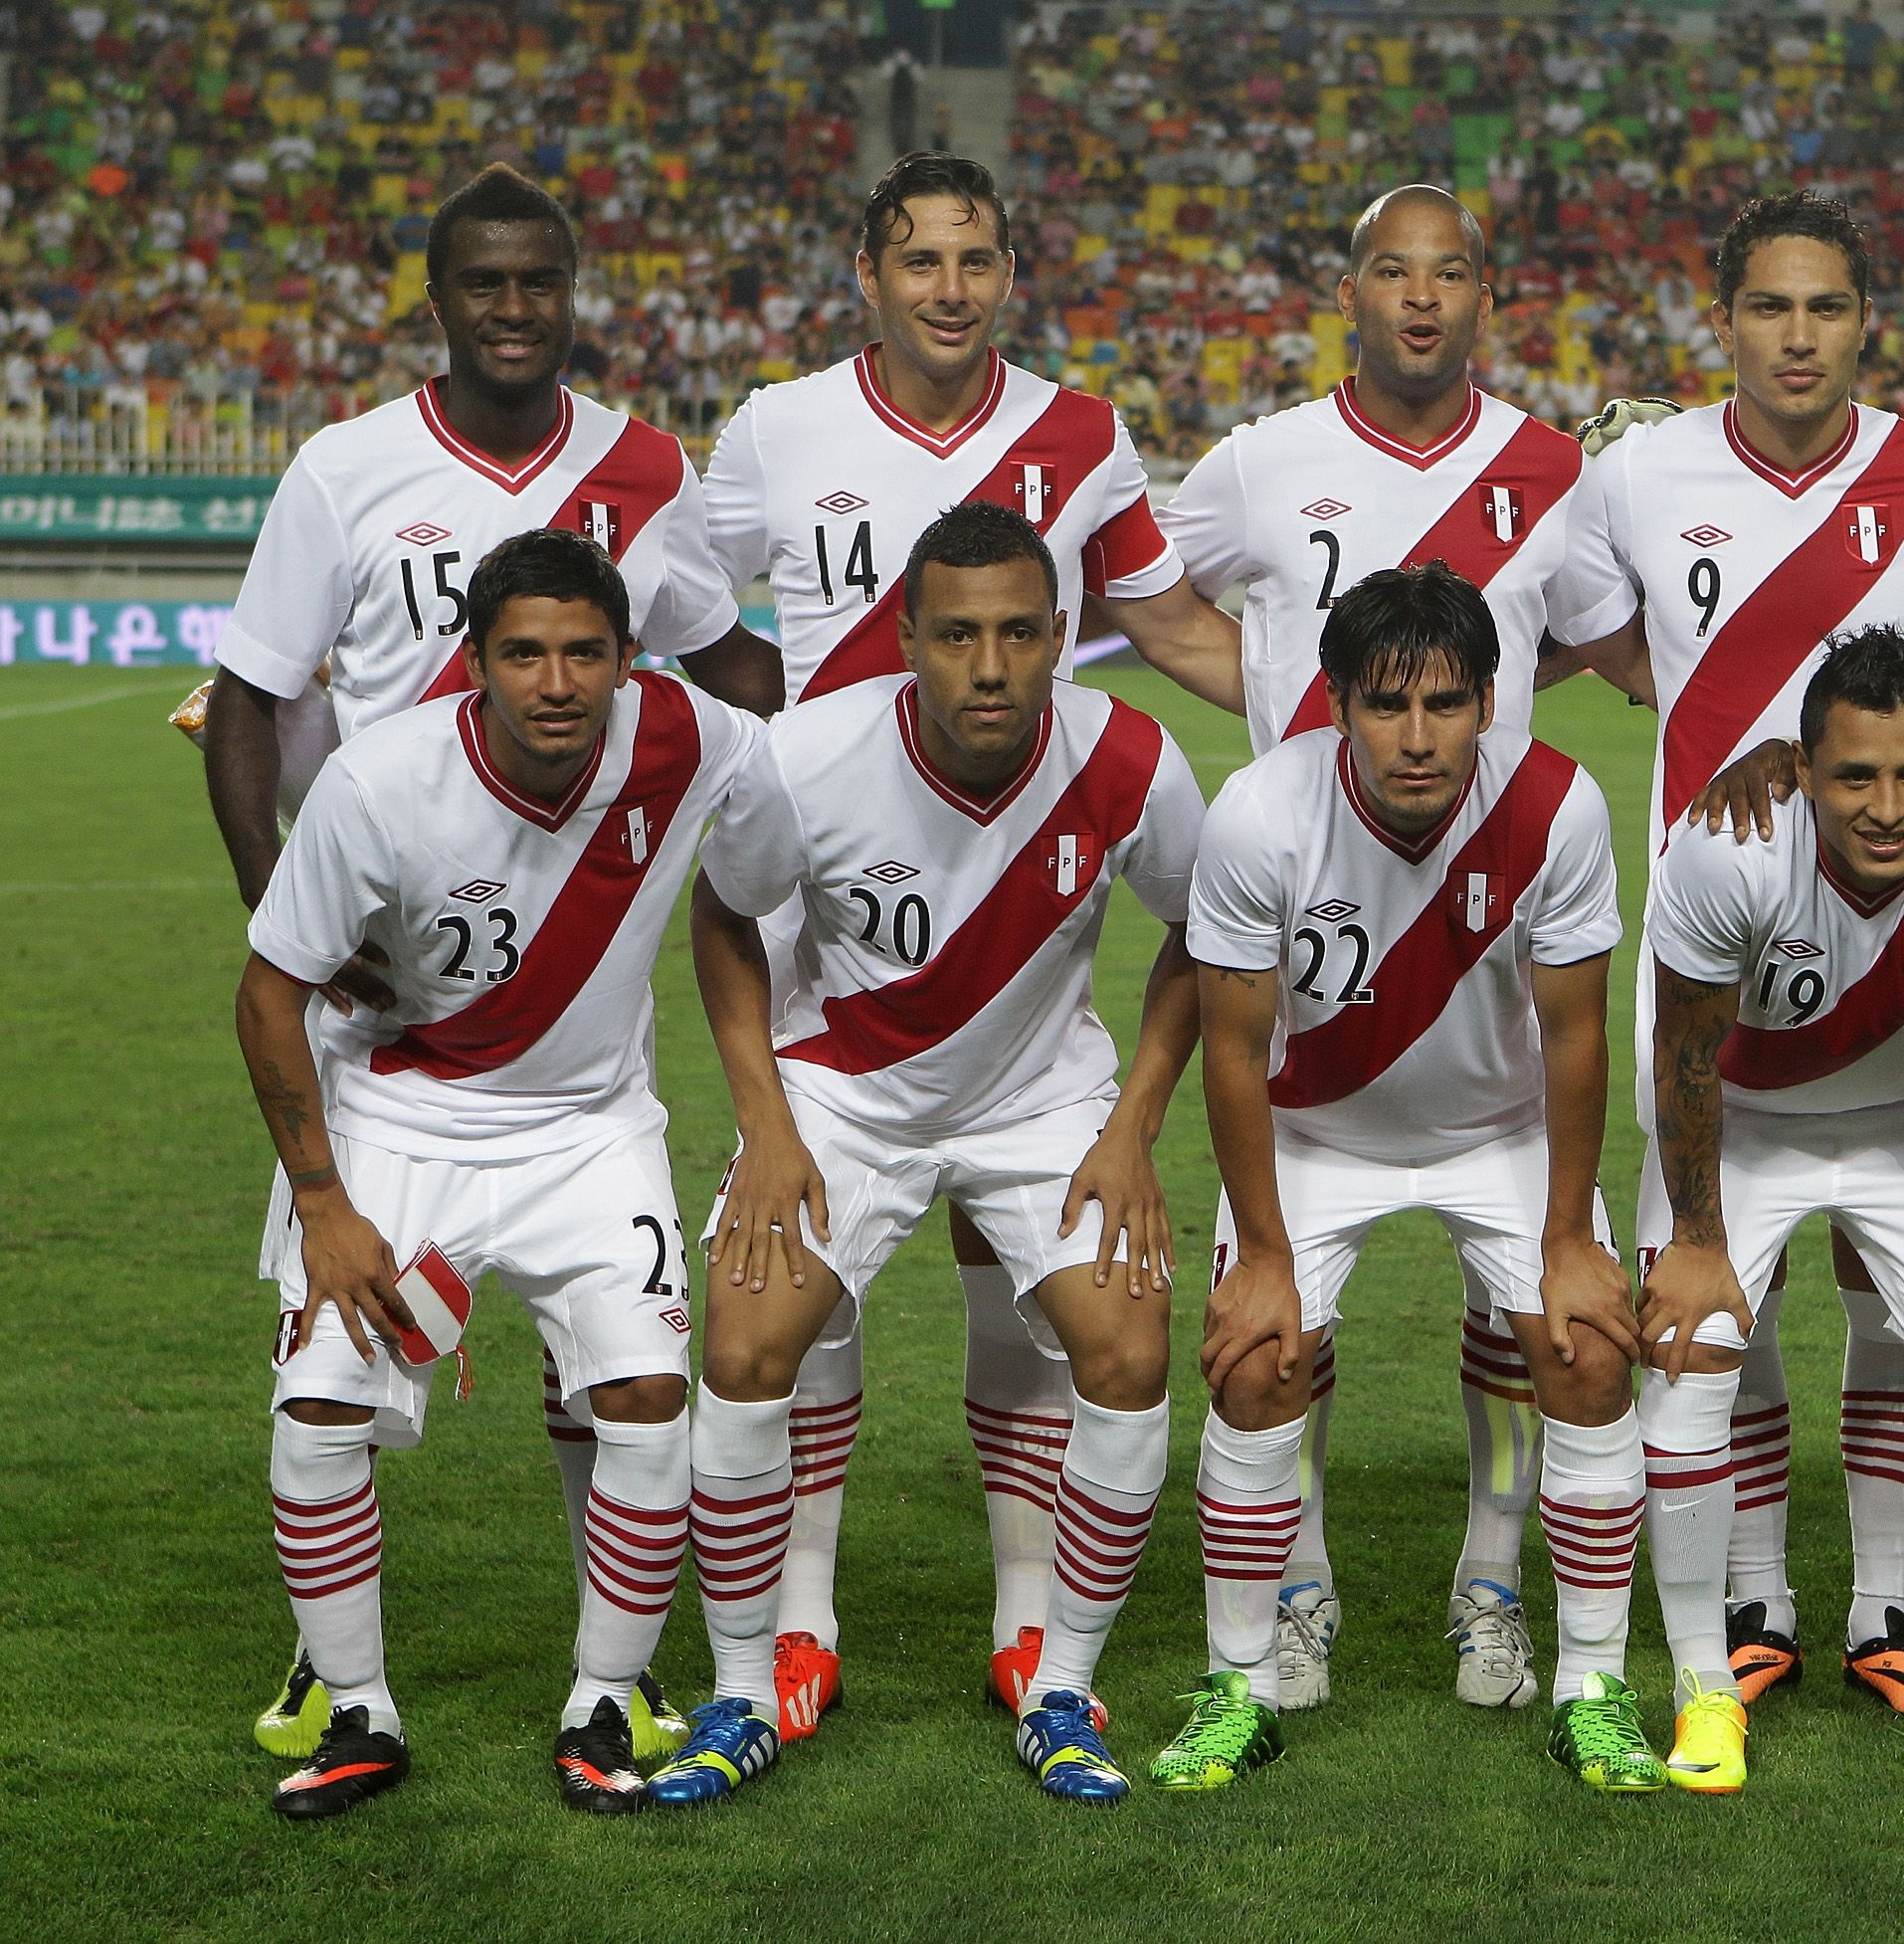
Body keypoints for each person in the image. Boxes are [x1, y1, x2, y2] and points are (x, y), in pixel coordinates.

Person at [203, 161, 777, 1772]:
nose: (513, 310)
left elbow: (721, 657)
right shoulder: (345, 468)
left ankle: (607, 1668)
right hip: (389, 963)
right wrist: (291, 926)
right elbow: (251, 693)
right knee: (337, 1362)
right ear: (440, 296)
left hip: (572, 944)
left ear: (572, 291)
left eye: (539, 283)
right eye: (483, 284)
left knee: (613, 1366)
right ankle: (340, 1668)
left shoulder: (645, 468)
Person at [697, 151, 1240, 1736]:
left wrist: (1373, 705)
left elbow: (1177, 626)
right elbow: (659, 600)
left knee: (1029, 1302)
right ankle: (796, 1618)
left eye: (976, 260)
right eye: (919, 259)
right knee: (797, 1313)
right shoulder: (776, 427)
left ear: (1009, 271)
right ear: (867, 271)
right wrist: (760, 730)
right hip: (837, 911)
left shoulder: (1081, 432)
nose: (949, 286)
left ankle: (1033, 1629)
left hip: (1029, 942)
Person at [1564, 188, 1904, 1718]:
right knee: (1726, 1309)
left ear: (1866, 322)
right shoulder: (1638, 471)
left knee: (1890, 1300)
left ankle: (1885, 1604)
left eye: (1825, 308)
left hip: (1898, 963)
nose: (1796, 336)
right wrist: (1728, 739)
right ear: (1721, 320)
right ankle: (1762, 1593)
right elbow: (1591, 633)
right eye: (1767, 308)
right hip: (1721, 945)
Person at [1157, 182, 1637, 1712]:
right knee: (1274, 1334)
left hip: (1474, 907)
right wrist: (1278, 699)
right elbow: (1150, 600)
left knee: (1547, 1325)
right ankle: (1297, 1590)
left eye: (1452, 275)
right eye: (1391, 271)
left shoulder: (1555, 473)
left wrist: (1454, 713)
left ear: (1488, 294)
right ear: (1349, 290)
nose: (1421, 299)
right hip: (1321, 892)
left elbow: (1598, 640)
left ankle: (1490, 1586)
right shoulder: (1259, 462)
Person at [239, 529, 790, 1820]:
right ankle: (359, 1710)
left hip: (594, 1130)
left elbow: (752, 882)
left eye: (585, 653)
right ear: (475, 663)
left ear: (628, 658)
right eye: (526, 654)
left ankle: (607, 1692)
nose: (557, 681)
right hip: (399, 1117)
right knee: (315, 1413)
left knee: (652, 1398)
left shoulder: (700, 741)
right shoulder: (382, 780)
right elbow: (270, 998)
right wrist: (323, 1203)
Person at [667, 502, 1205, 1805]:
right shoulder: (807, 756)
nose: (989, 663)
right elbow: (725, 916)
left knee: (1128, 1347)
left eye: (1020, 632)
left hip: (1039, 1102)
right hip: (844, 1097)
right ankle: (746, 1681)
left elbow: (1208, 933)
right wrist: (767, 1127)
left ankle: (1062, 1683)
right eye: (957, 633)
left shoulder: (1131, 757)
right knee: (742, 1344)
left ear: (1063, 638)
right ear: (905, 638)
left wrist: (1134, 1126)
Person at [1174, 564, 1653, 1793]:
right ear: (1335, 703)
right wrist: (1266, 1257)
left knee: (1590, 1346)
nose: (1418, 735)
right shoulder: (1258, 813)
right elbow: (1231, 1048)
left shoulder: (1557, 807)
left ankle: (1587, 1677)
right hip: (1313, 1131)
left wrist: (1565, 1237)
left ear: (1491, 702)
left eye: (1446, 702)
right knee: (1255, 1356)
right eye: (1388, 704)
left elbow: (1576, 1038)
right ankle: (1244, 1671)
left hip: (1500, 1130)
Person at [1638, 627, 1904, 1796]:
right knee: (1692, 1345)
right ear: (1803, 768)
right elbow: (1685, 1057)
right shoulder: (1728, 851)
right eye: (1855, 776)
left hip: (1901, 1121)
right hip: (1742, 1118)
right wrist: (1695, 1241)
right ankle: (1701, 1687)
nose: (1887, 807)